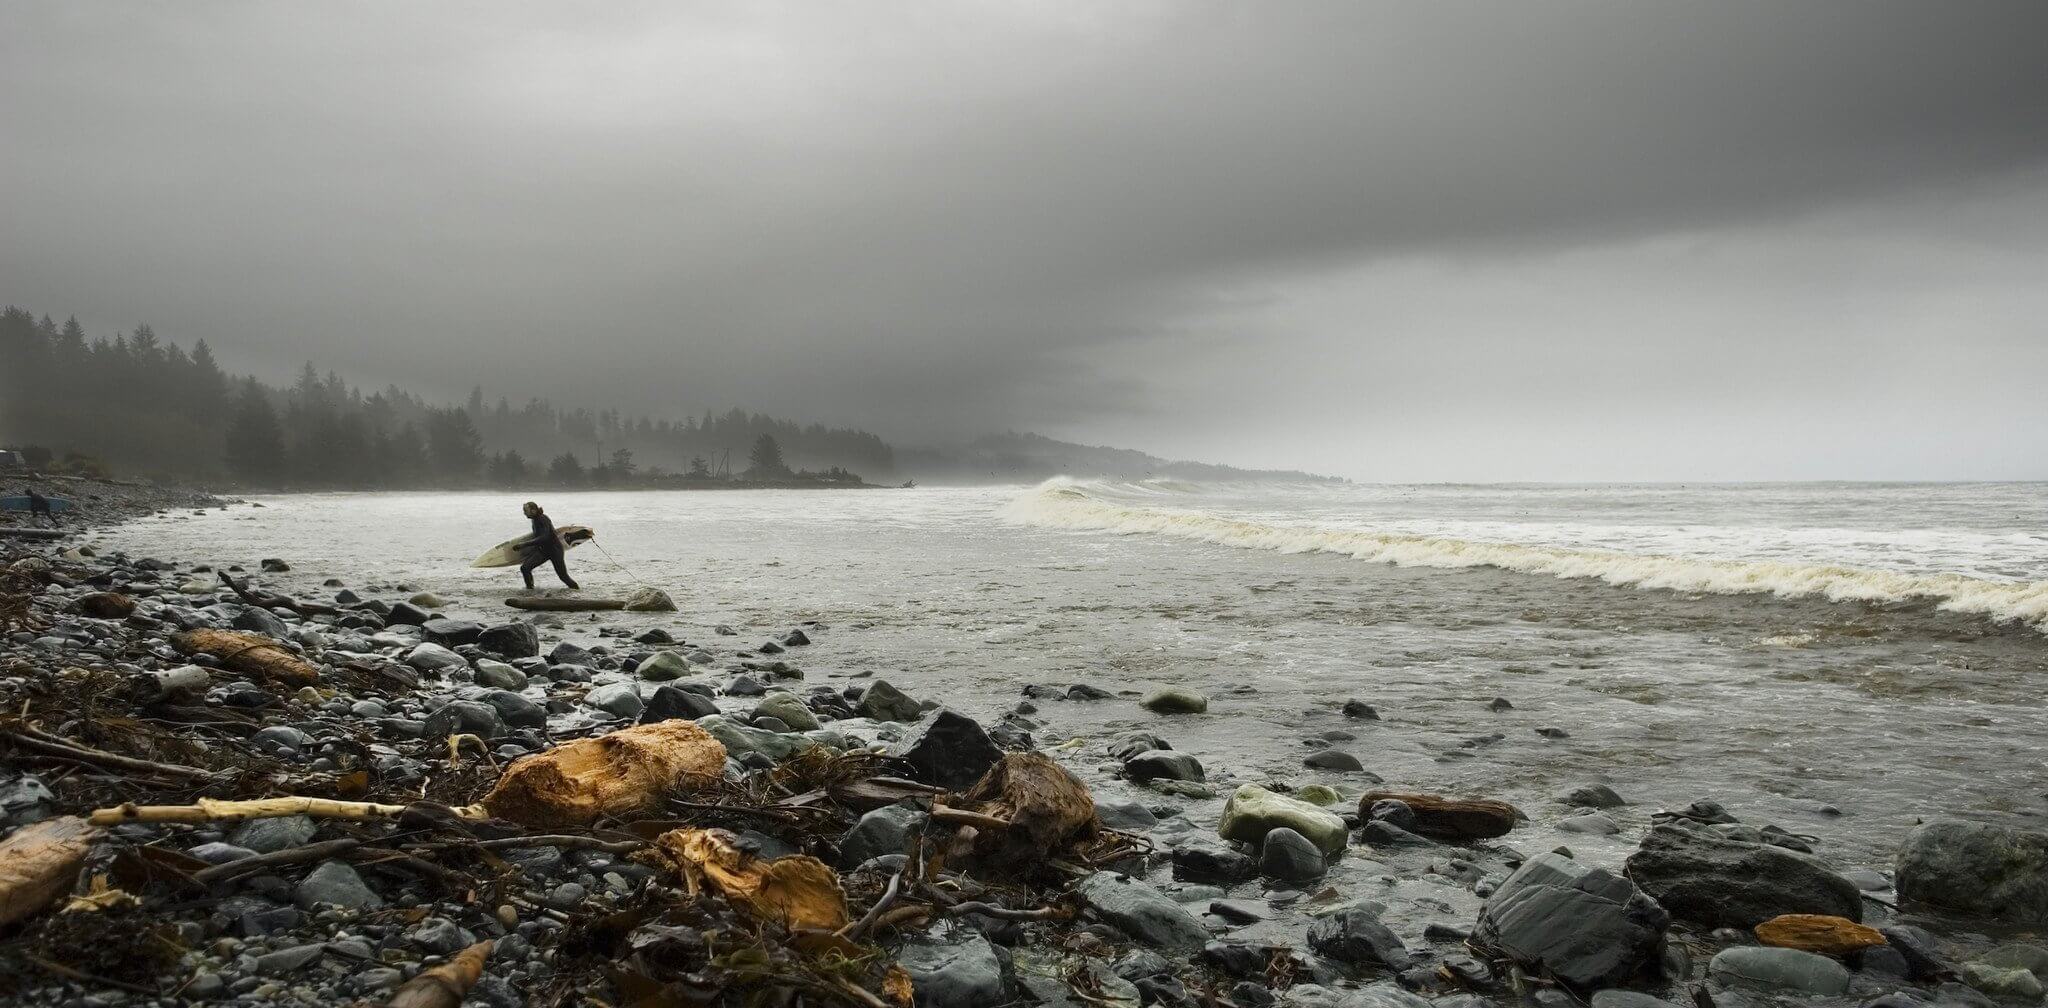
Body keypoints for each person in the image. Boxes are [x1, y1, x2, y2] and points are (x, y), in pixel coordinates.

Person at [517, 501, 579, 590]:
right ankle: (529, 590)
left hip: (555, 551)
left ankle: (576, 590)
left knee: (563, 576)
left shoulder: (542, 519)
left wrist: (524, 544)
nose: (524, 513)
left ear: (533, 510)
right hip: (543, 550)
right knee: (525, 568)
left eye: (525, 511)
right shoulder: (535, 519)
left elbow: (544, 537)